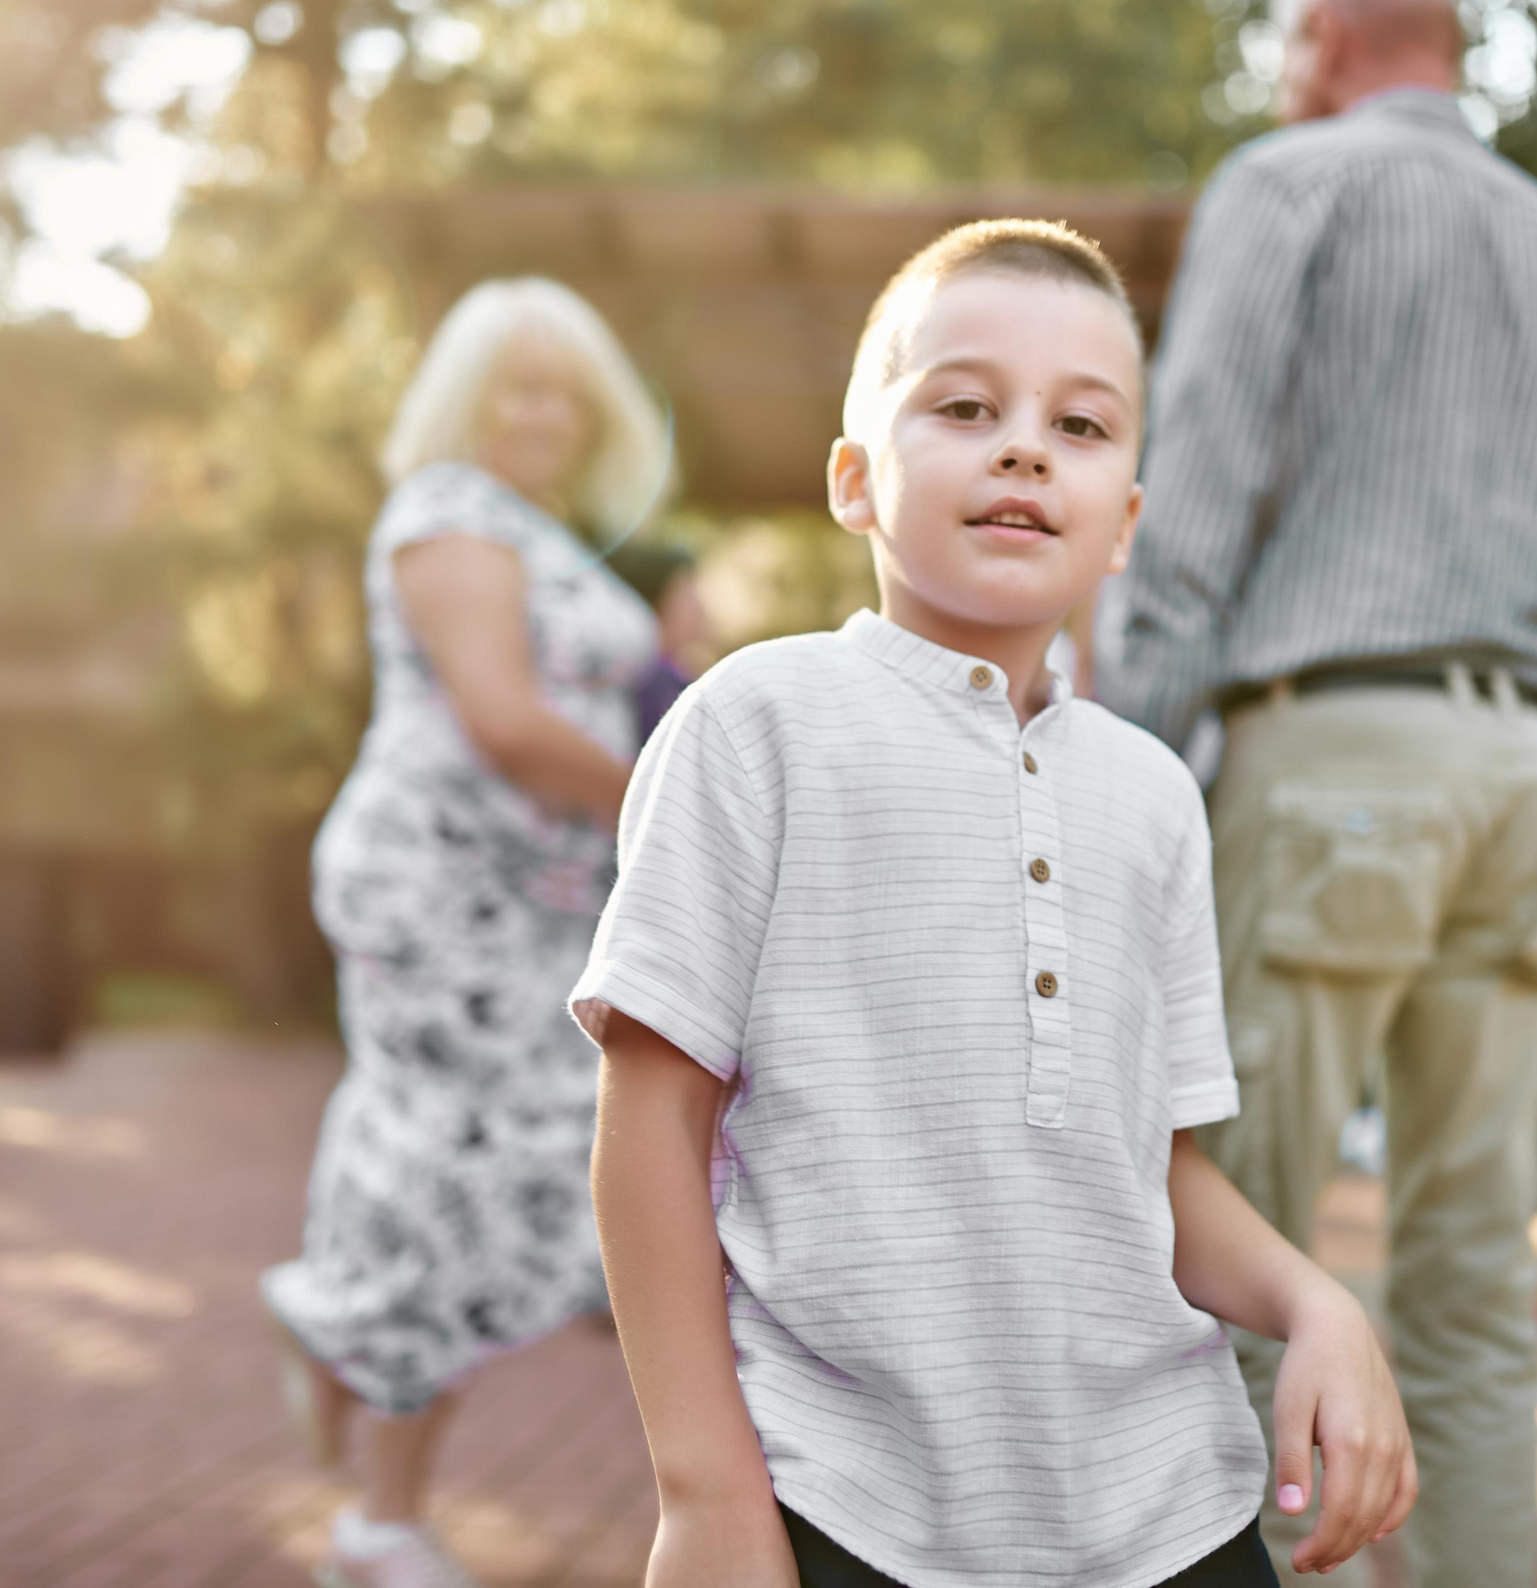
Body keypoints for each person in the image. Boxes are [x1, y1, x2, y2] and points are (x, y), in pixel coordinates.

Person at [576, 221, 1417, 1588]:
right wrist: (704, 1490)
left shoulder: (1155, 796)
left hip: (1172, 1511)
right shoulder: (757, 723)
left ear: (1128, 521)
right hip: (849, 1507)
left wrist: (1318, 1304)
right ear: (856, 479)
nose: (1023, 446)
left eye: (1081, 425)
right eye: (965, 407)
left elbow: (1159, 1171)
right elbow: (651, 1120)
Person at [1097, 0, 1537, 1588]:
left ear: (1323, 39)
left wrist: (1114, 780)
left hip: (1336, 753)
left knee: (1238, 1261)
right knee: (1473, 1279)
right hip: (1525, 773)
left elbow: (1193, 500)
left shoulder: (1289, 183)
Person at [262, 278, 671, 1588]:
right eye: (516, 385)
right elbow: (500, 721)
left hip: (543, 906)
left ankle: (341, 1328)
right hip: (443, 896)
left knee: (493, 1153)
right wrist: (667, 804)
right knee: (467, 1160)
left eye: (563, 389)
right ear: (464, 396)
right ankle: (381, 1518)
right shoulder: (445, 516)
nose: (543, 412)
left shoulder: (534, 528)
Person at [609, 537, 712, 734]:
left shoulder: (671, 673)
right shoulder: (652, 679)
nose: (699, 607)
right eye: (687, 595)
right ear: (657, 599)